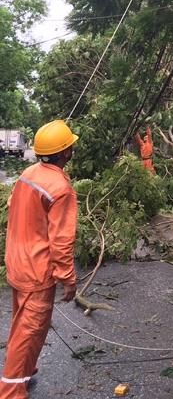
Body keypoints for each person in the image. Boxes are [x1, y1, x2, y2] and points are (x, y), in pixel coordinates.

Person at [0, 120, 78, 398]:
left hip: (17, 262)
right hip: (37, 270)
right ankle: (10, 392)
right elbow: (61, 240)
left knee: (21, 322)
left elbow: (12, 204)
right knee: (30, 330)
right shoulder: (60, 188)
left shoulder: (29, 172)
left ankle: (23, 370)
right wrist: (68, 278)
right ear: (66, 152)